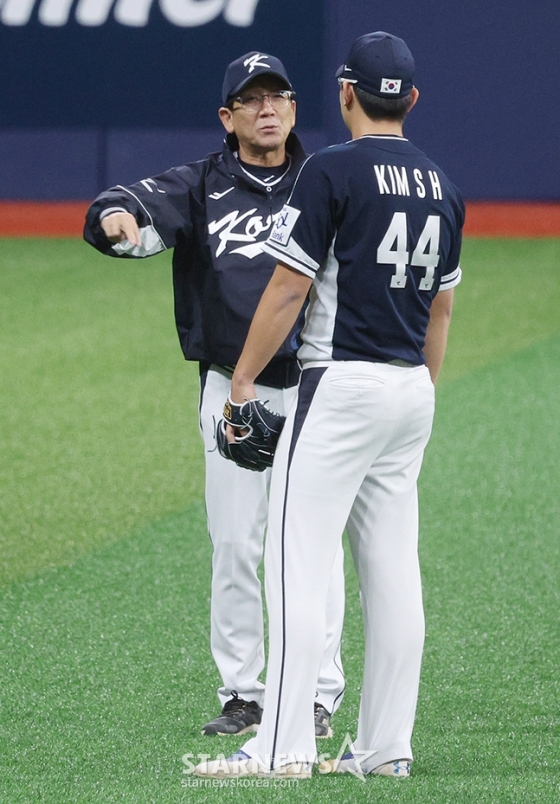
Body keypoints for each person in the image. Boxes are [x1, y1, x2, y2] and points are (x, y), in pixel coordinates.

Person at [194, 31, 464, 779]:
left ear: (347, 94)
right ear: (409, 99)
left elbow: (288, 290)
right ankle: (384, 749)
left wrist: (243, 380)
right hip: (411, 387)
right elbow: (440, 311)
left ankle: (280, 748)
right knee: (391, 571)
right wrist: (421, 395)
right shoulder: (443, 183)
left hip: (339, 384)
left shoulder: (330, 171)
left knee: (294, 562)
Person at [83, 52, 346, 739]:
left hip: (316, 387)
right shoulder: (202, 184)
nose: (267, 109)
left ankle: (317, 694)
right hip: (232, 390)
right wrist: (114, 220)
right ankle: (245, 693)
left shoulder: (324, 181)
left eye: (278, 97)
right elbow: (129, 205)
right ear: (228, 118)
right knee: (236, 544)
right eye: (251, 100)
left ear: (293, 109)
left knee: (315, 544)